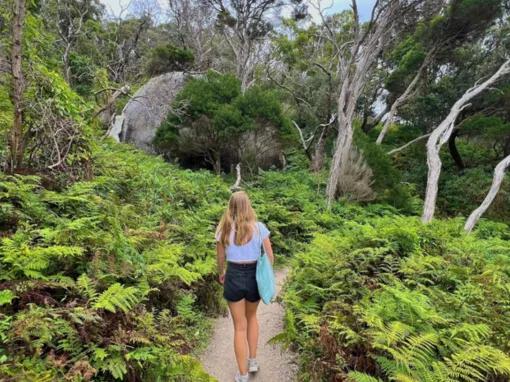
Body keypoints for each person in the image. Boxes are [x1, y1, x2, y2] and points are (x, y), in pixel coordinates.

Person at [215, 191, 274, 382]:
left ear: (230, 206)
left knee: (239, 326)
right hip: (254, 277)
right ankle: (253, 360)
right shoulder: (259, 228)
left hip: (233, 276)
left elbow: (220, 258)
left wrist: (221, 272)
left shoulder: (223, 229)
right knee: (252, 318)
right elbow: (270, 257)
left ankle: (242, 375)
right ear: (248, 205)